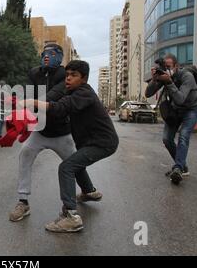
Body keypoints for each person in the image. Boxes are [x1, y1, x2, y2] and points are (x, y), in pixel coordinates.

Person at [23, 60, 119, 233]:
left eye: (74, 75)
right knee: (74, 162)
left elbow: (60, 108)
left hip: (102, 143)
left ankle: (71, 216)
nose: (68, 78)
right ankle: (89, 192)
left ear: (84, 78)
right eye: (67, 75)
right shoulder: (72, 91)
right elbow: (58, 106)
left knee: (66, 167)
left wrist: (34, 102)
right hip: (92, 142)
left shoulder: (84, 93)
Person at [8, 44, 76, 223]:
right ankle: (23, 202)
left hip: (61, 132)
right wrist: (19, 102)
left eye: (52, 53)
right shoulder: (34, 73)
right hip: (40, 130)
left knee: (75, 164)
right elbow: (28, 91)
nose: (47, 56)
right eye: (44, 53)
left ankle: (87, 189)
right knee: (25, 154)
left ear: (59, 57)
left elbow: (55, 94)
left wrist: (31, 102)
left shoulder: (64, 75)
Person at [145, 53, 197, 185]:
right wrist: (155, 79)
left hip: (191, 109)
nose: (166, 69)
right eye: (164, 67)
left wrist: (169, 82)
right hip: (176, 110)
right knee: (166, 139)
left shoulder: (187, 76)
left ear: (176, 66)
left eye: (168, 66)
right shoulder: (164, 76)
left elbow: (180, 99)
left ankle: (178, 168)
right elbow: (148, 93)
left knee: (183, 135)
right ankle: (183, 166)